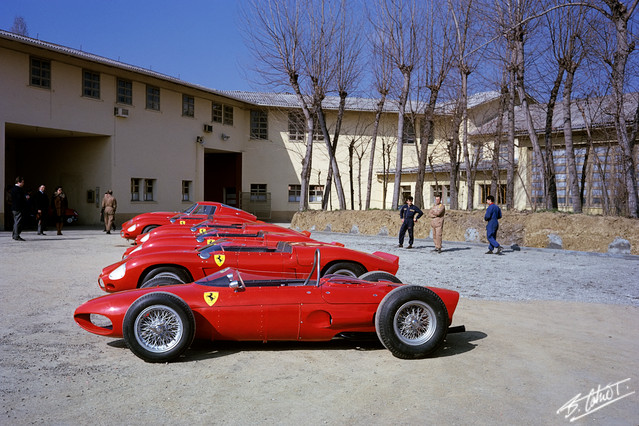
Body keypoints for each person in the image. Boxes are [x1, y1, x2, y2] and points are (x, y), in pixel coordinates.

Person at [10, 176, 29, 241]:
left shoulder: (13, 188)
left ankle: (14, 235)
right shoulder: (18, 189)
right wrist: (25, 198)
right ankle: (16, 235)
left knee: (16, 221)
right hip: (18, 208)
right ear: (18, 182)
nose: (23, 183)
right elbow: (19, 199)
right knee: (18, 222)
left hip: (14, 208)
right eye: (22, 182)